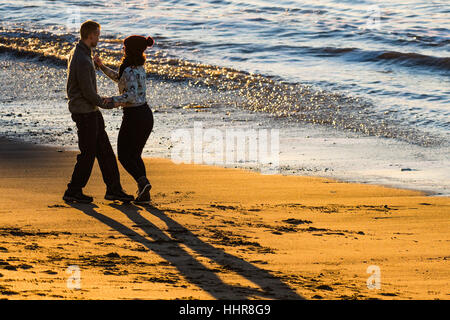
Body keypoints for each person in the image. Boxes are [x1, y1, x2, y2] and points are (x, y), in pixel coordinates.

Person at [63, 20, 134, 204]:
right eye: (98, 35)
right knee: (88, 153)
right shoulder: (82, 59)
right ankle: (73, 190)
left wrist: (97, 67)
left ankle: (113, 189)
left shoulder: (79, 52)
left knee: (104, 151)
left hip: (89, 111)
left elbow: (82, 83)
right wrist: (108, 103)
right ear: (90, 35)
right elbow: (88, 93)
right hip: (85, 111)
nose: (99, 39)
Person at [94, 35, 154, 205]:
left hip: (134, 117)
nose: (122, 49)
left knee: (124, 156)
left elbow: (131, 95)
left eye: (124, 47)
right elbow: (121, 79)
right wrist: (102, 67)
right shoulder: (138, 67)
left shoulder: (128, 68)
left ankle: (143, 183)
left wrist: (110, 100)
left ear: (129, 50)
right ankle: (144, 193)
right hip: (145, 115)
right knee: (135, 156)